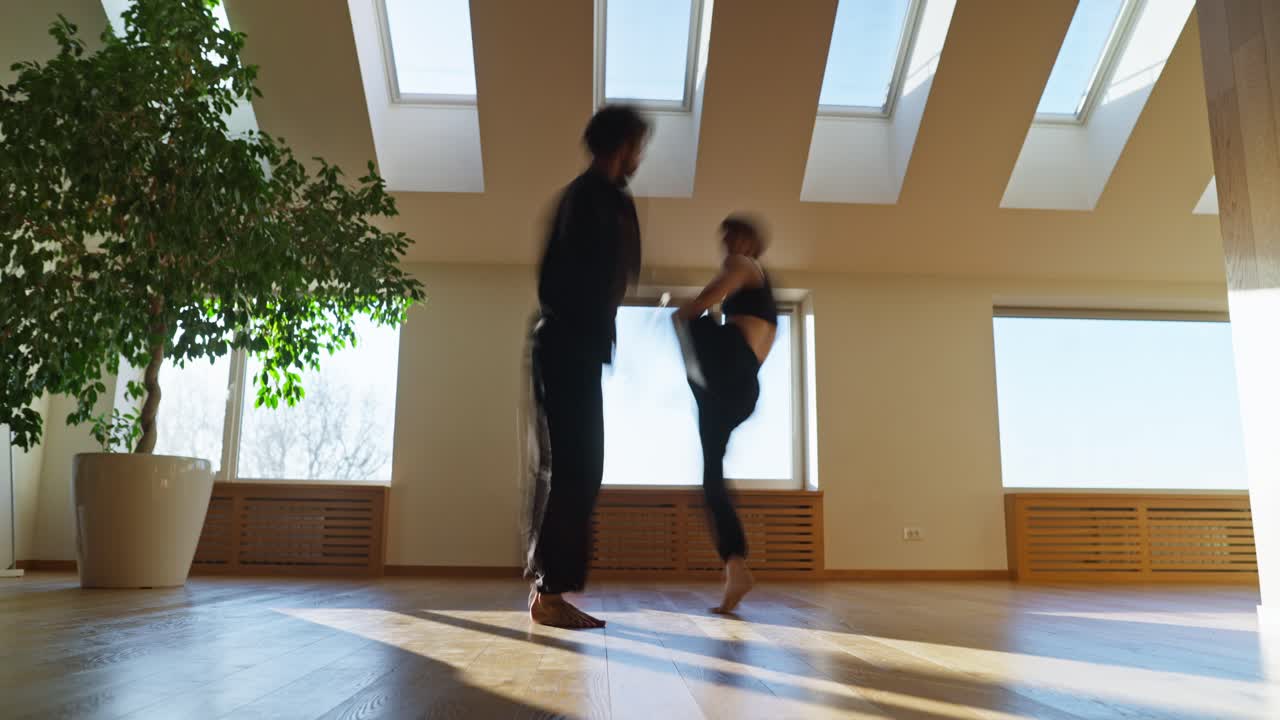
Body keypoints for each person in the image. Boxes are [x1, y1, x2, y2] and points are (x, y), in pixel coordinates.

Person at [525, 105, 649, 629]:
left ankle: (547, 590)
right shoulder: (590, 198)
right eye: (638, 145)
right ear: (622, 145)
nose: (640, 156)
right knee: (577, 469)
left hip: (575, 347)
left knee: (578, 469)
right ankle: (547, 595)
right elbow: (560, 282)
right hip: (566, 345)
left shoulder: (605, 199)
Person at [673, 215, 778, 614]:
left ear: (752, 241)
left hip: (728, 371)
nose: (728, 243)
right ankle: (736, 566)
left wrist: (692, 310)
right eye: (725, 237)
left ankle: (735, 565)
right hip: (740, 386)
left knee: (685, 319)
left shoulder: (745, 266)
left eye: (735, 235)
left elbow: (710, 296)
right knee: (711, 478)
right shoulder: (764, 295)